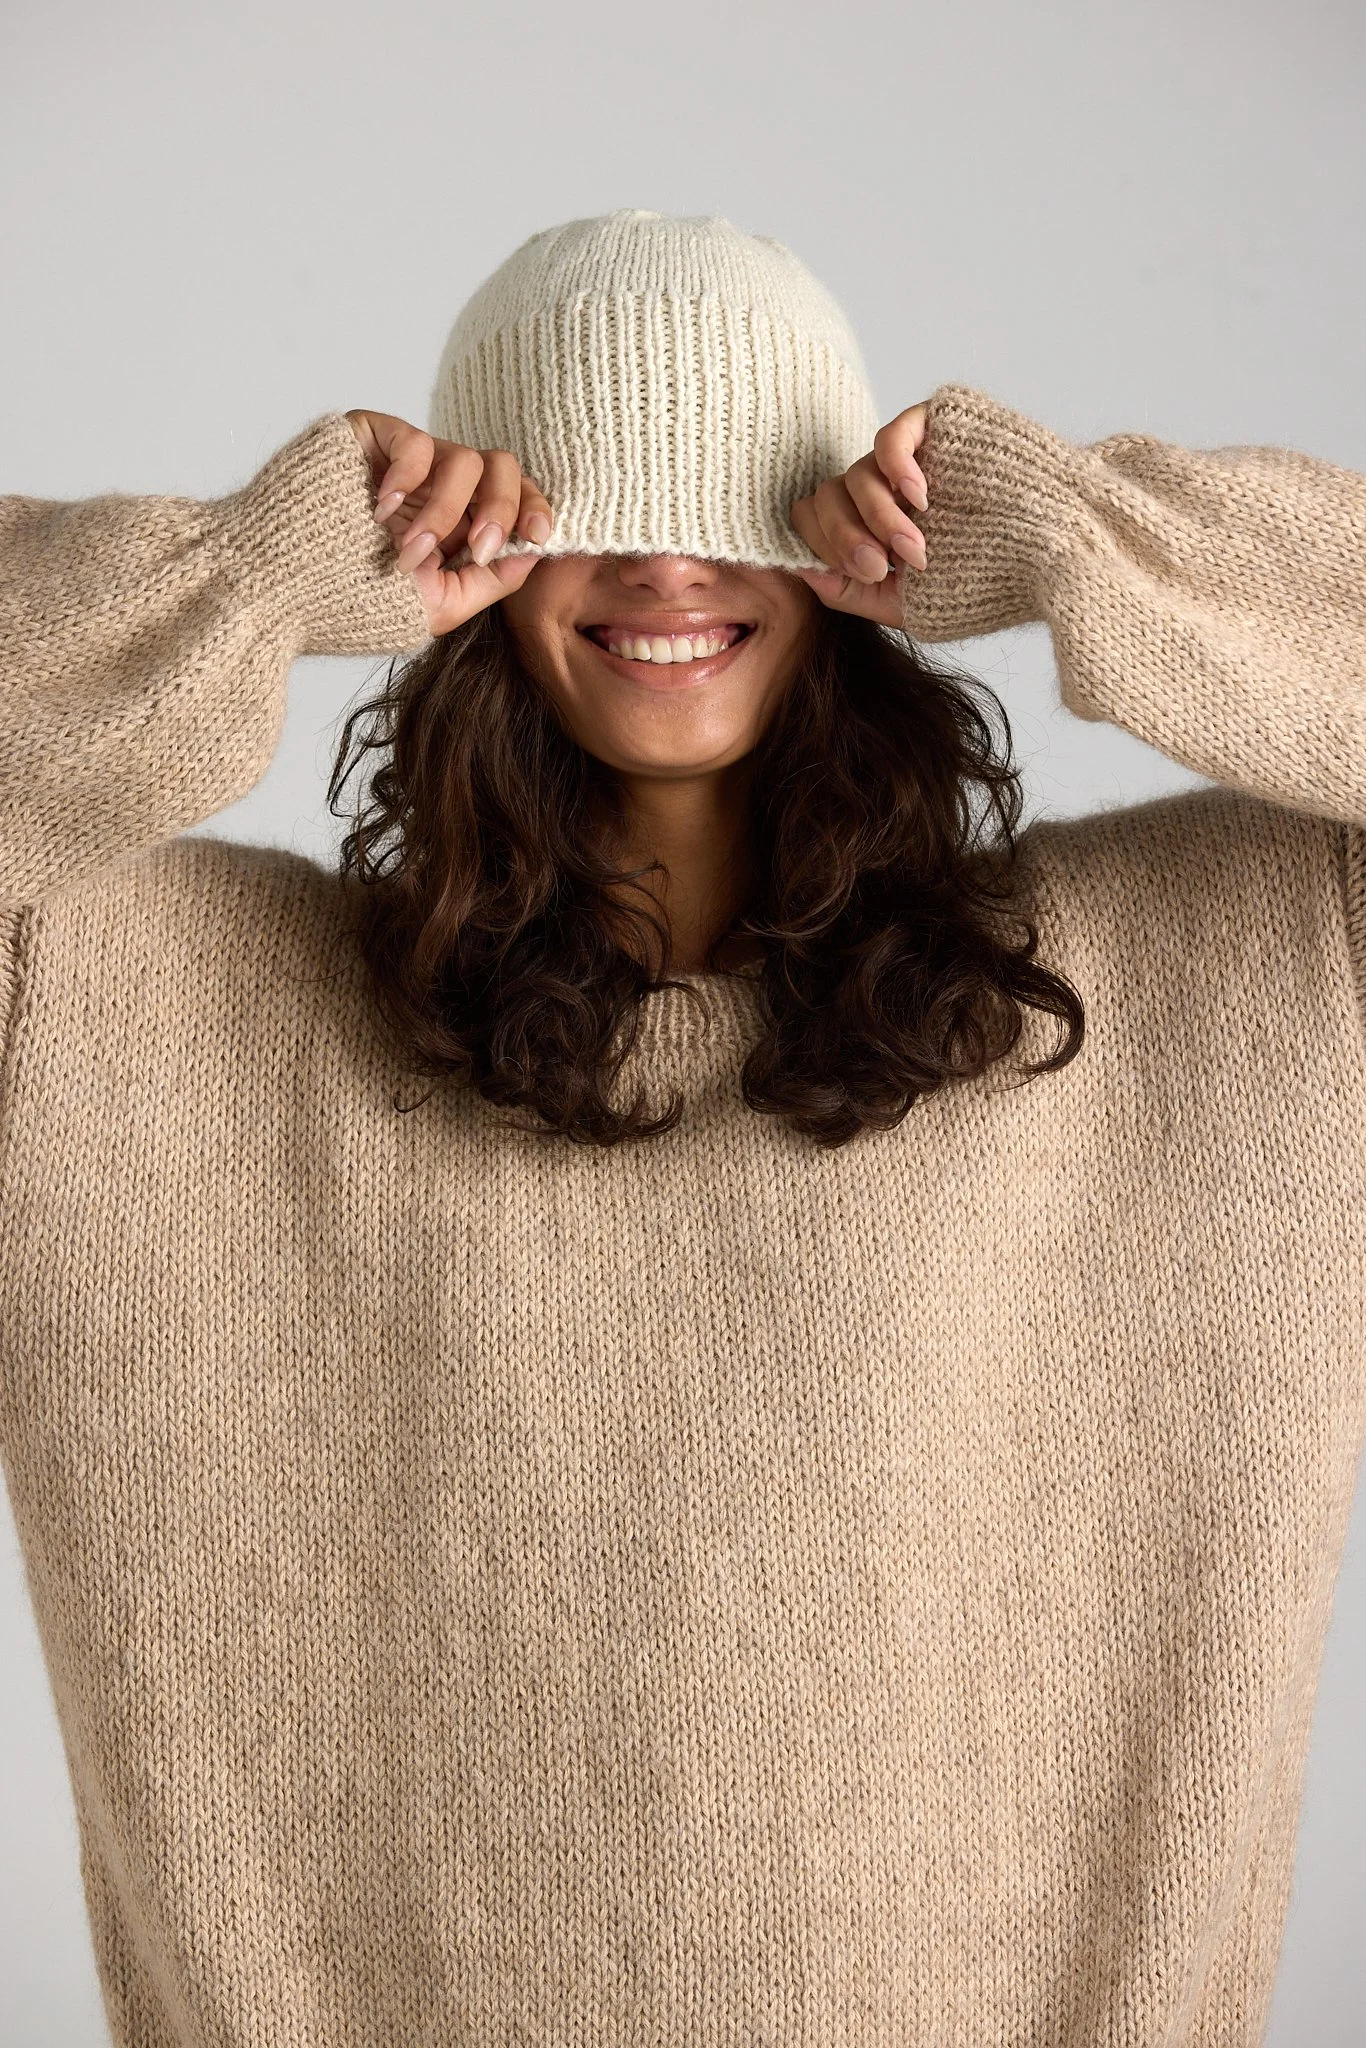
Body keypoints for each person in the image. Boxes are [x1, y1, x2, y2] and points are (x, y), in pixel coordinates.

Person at [1, 207, 1362, 2048]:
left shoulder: (1213, 976)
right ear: (466, 566)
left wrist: (1096, 547)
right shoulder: (143, 1004)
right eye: (579, 512)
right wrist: (235, 584)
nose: (660, 566)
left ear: (852, 556)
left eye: (735, 508)